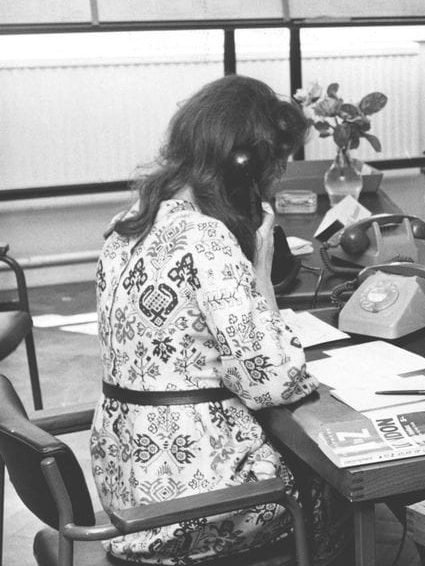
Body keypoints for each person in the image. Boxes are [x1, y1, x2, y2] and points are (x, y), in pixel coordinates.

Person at [91, 75, 346, 564]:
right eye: (273, 170)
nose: (273, 182)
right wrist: (263, 274)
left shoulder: (129, 222)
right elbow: (274, 381)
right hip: (194, 498)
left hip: (128, 484)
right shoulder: (205, 238)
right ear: (242, 164)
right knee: (328, 482)